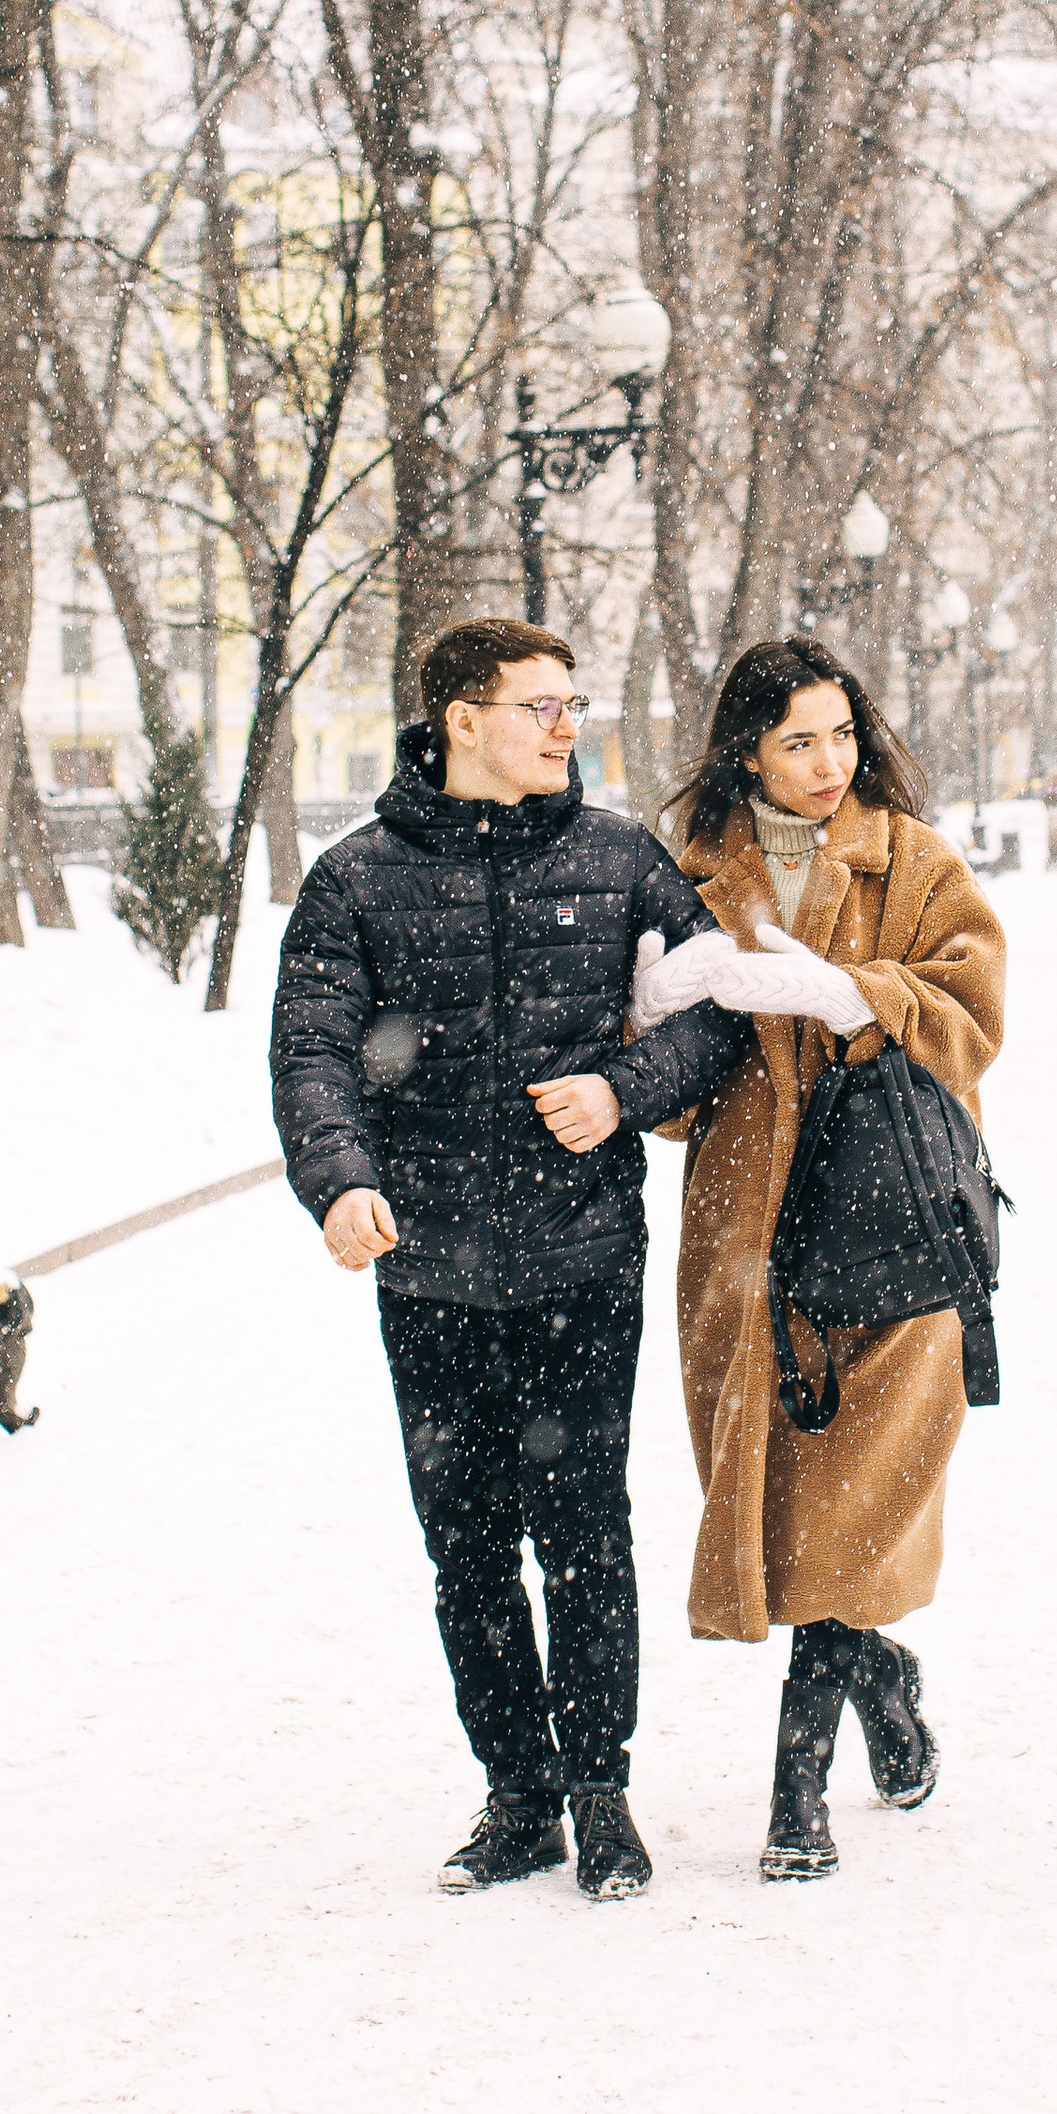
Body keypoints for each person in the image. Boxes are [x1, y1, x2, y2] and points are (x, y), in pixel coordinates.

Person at [269, 618, 745, 1904]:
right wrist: (343, 1179)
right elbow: (312, 1046)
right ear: (459, 720)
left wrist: (622, 1086)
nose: (563, 726)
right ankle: (516, 1794)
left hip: (581, 1257)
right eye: (538, 705)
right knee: (466, 1542)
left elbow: (714, 1010)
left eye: (570, 703)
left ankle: (600, 1788)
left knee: (586, 1528)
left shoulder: (617, 857)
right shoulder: (355, 880)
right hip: (427, 1271)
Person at [633, 638, 1004, 1884]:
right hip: (745, 1246)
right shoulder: (690, 877)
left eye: (842, 734)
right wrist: (656, 1009)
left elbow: (973, 1019)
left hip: (894, 1228)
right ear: (746, 750)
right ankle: (884, 1680)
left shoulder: (913, 859)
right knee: (793, 1513)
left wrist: (854, 996)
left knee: (855, 1509)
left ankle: (797, 1795)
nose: (828, 764)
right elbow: (674, 1103)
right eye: (796, 741)